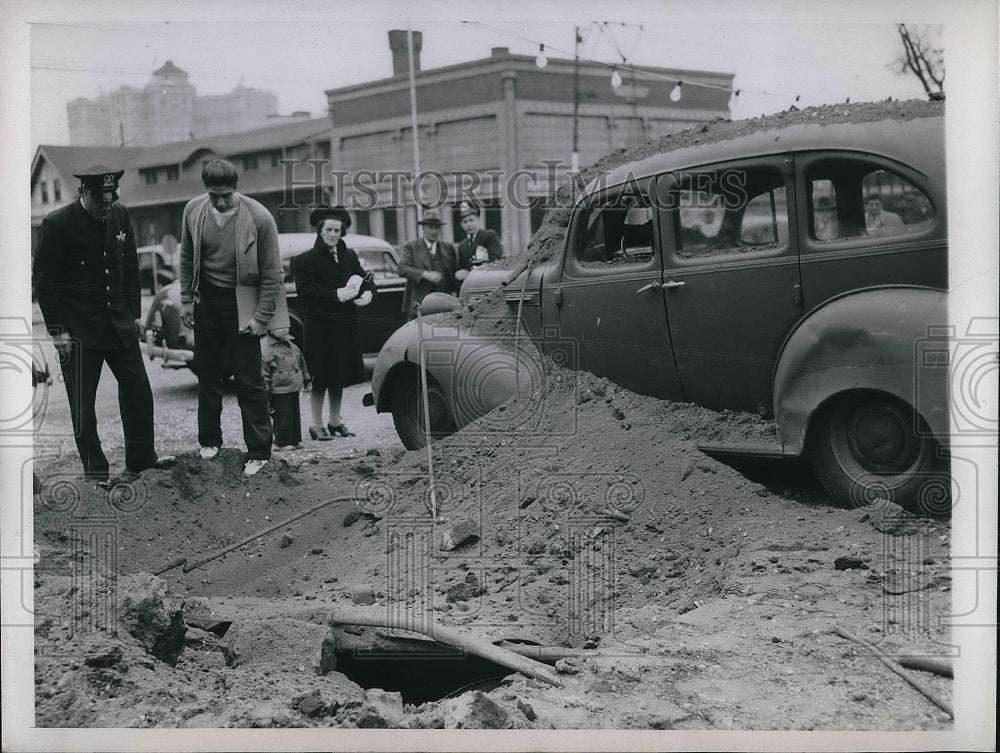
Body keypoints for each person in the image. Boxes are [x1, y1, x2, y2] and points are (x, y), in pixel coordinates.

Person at [32, 165, 174, 485]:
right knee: (83, 406)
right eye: (99, 202)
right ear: (83, 193)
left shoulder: (120, 215)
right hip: (78, 330)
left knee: (139, 391)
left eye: (110, 202)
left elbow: (129, 266)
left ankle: (141, 459)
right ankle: (96, 473)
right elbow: (44, 281)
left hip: (118, 323)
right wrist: (58, 330)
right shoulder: (57, 225)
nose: (105, 208)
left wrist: (135, 315)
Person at [178, 159, 282, 476]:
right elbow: (185, 257)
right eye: (214, 195)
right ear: (206, 191)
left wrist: (261, 317)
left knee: (249, 380)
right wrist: (185, 300)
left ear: (236, 188)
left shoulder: (260, 218)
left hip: (242, 301)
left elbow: (272, 274)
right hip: (206, 300)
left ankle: (259, 450)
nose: (221, 201)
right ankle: (209, 441)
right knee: (208, 376)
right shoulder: (193, 212)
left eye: (226, 194)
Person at [292, 205, 376, 440]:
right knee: (320, 377)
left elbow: (365, 278)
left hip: (344, 327)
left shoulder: (348, 256)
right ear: (320, 230)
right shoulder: (305, 260)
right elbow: (306, 294)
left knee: (339, 375)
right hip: (320, 328)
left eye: (337, 230)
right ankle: (316, 424)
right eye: (328, 229)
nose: (332, 234)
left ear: (342, 232)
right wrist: (337, 294)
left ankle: (335, 422)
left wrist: (368, 293)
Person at [398, 208, 460, 319]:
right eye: (431, 228)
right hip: (419, 306)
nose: (434, 231)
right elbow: (402, 269)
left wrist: (455, 292)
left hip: (444, 304)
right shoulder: (411, 247)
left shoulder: (448, 248)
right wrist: (425, 274)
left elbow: (454, 273)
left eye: (437, 228)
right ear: (423, 228)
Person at [261, 329, 310, 450]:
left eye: (286, 326)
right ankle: (281, 442)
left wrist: (306, 379)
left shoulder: (292, 346)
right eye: (280, 327)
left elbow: (302, 363)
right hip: (279, 389)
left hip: (294, 386)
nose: (284, 329)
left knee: (294, 415)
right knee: (283, 416)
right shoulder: (266, 348)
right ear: (271, 329)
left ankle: (295, 439)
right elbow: (264, 371)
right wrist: (265, 390)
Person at [454, 201, 503, 284]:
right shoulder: (462, 246)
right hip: (470, 284)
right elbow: (462, 266)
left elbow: (496, 259)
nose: (469, 224)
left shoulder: (489, 236)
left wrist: (469, 273)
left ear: (478, 219)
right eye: (465, 222)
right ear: (461, 225)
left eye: (471, 220)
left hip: (488, 281)